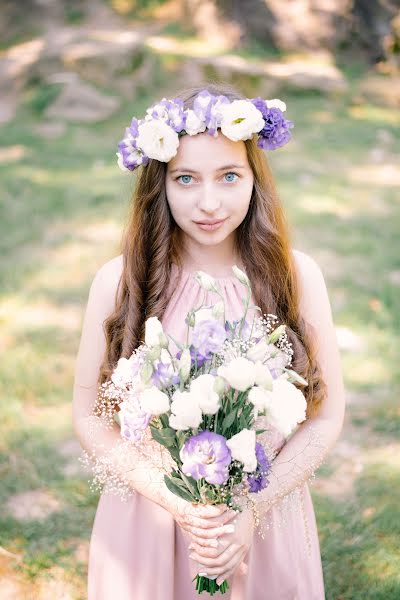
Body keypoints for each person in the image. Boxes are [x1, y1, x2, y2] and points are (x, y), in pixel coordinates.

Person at [72, 82, 345, 599]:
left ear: (254, 179)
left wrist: (247, 513)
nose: (209, 202)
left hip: (262, 519)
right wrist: (179, 505)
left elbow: (325, 417)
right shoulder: (120, 282)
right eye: (186, 179)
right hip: (150, 521)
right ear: (160, 184)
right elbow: (89, 417)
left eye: (229, 176)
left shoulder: (295, 278)